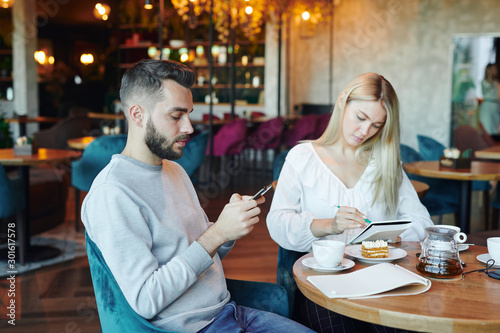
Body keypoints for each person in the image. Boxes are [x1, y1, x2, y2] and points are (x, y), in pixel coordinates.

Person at [82, 59, 312, 333]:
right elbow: (146, 298)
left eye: (188, 114)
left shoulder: (174, 170)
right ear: (137, 115)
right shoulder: (112, 193)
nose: (189, 127)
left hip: (228, 311)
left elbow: (199, 251)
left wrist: (227, 230)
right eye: (176, 115)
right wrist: (216, 235)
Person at [267, 73, 434, 332]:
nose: (365, 132)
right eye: (361, 118)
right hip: (322, 282)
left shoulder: (385, 163)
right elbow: (278, 223)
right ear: (343, 101)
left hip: (380, 279)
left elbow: (422, 222)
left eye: (377, 125)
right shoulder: (302, 158)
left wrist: (382, 235)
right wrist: (329, 225)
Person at [479, 63, 500, 134]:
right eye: (493, 69)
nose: (495, 71)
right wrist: (489, 74)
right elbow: (488, 87)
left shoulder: (496, 82)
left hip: (495, 106)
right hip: (487, 105)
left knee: (495, 128)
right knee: (486, 127)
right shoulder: (484, 82)